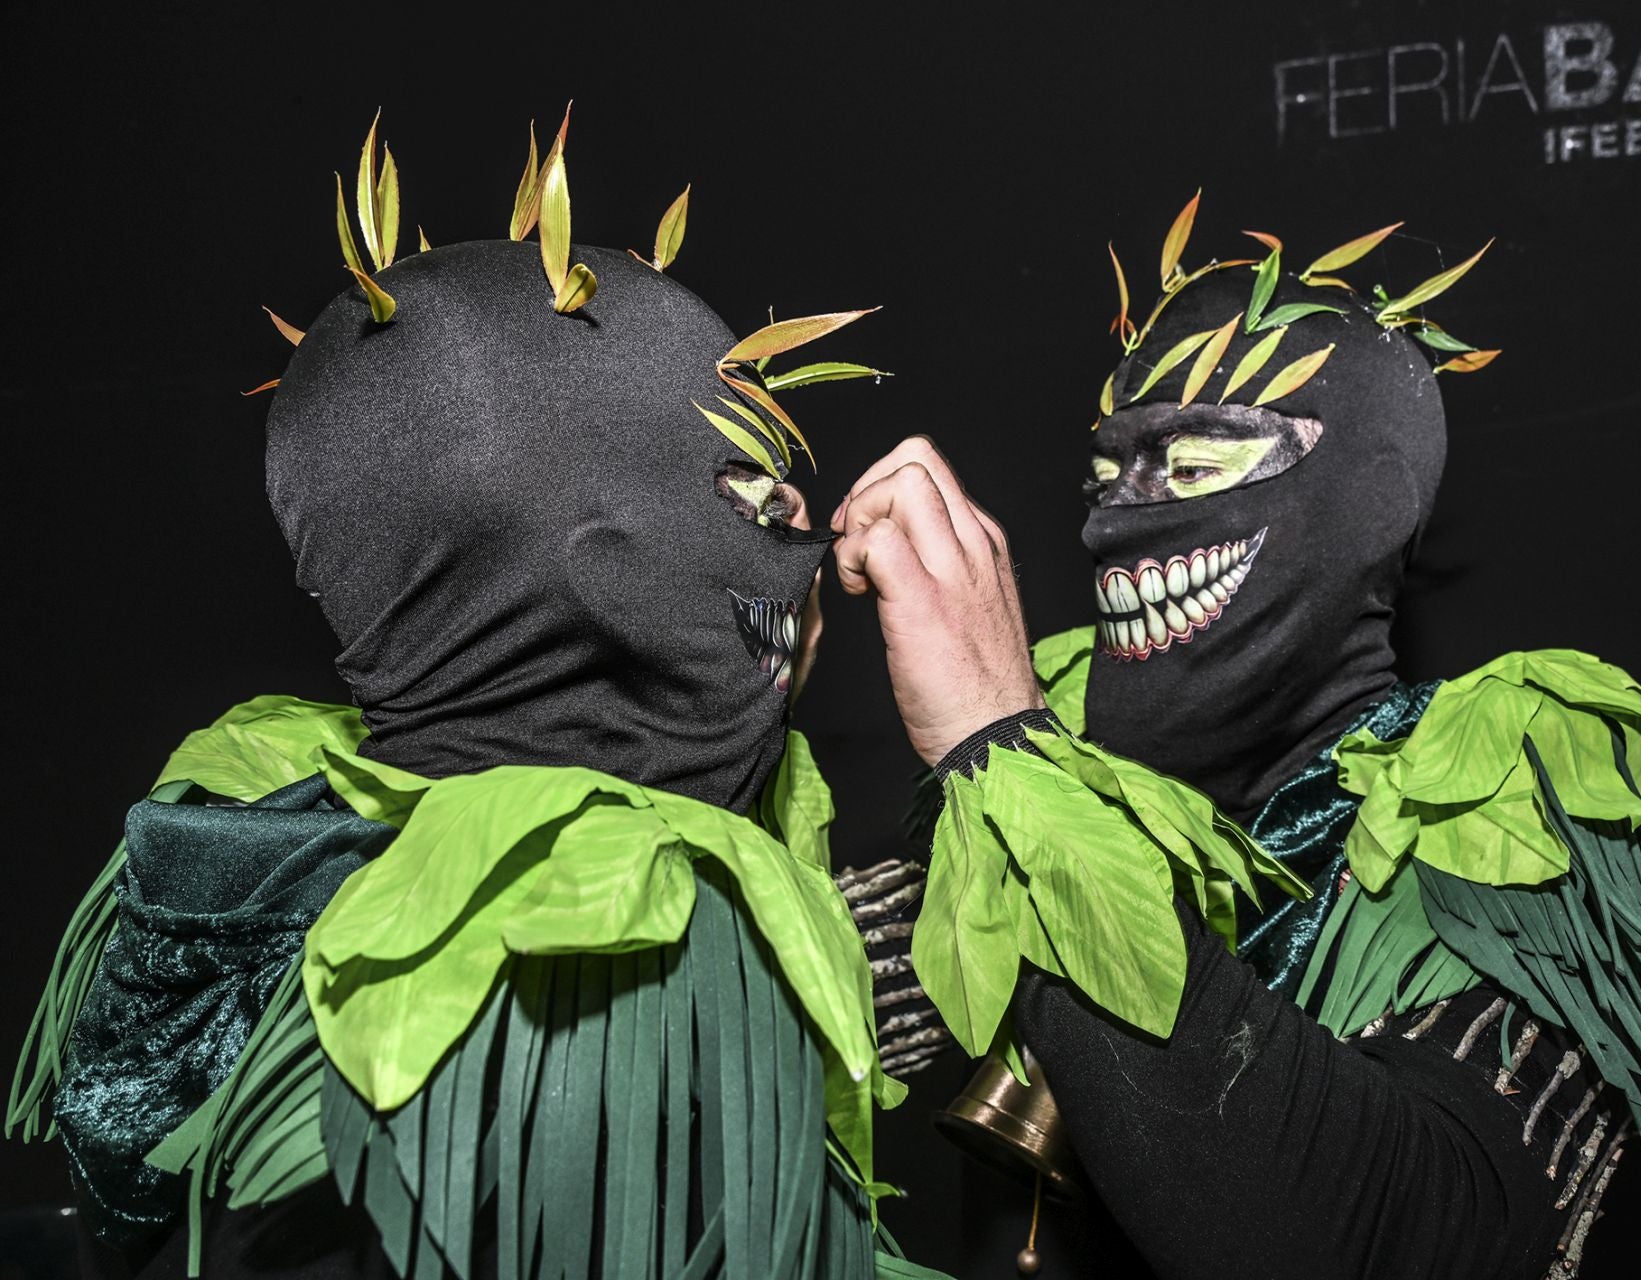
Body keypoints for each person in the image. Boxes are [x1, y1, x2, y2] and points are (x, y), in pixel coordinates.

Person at [7, 111, 946, 1280]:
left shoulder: (245, 845)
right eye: (748, 492)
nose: (802, 522)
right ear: (609, 571)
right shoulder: (609, 999)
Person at [831, 201, 1641, 1279]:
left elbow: (1393, 1243)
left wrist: (1003, 748)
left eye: (1196, 462)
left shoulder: (1519, 815)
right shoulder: (1052, 786)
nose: (1112, 519)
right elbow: (758, 1026)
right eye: (1105, 470)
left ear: (1372, 501)